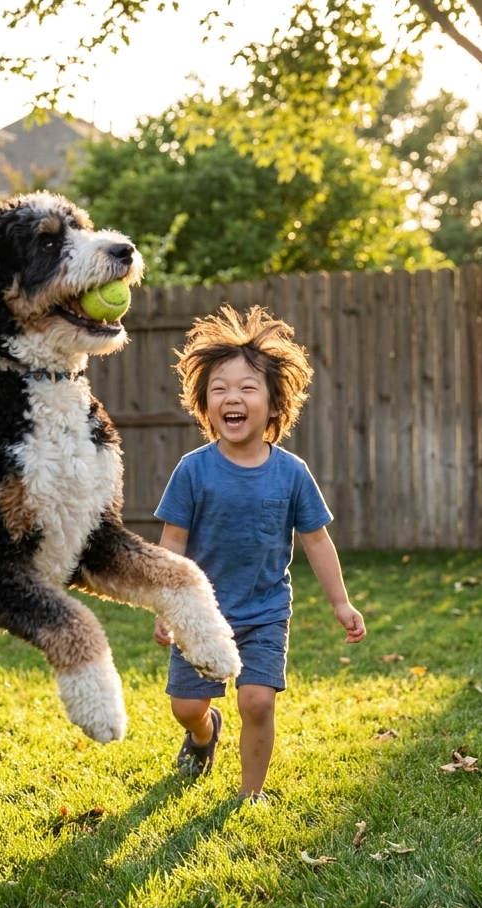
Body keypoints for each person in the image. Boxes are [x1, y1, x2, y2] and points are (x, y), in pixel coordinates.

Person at [153, 305, 366, 800]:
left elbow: (316, 540)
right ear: (204, 405)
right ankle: (205, 733)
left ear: (274, 405)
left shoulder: (292, 473)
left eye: (247, 388)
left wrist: (340, 603)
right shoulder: (192, 470)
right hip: (200, 614)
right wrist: (167, 605)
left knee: (257, 701)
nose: (232, 397)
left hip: (265, 612)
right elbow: (173, 543)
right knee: (186, 707)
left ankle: (251, 793)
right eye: (219, 389)